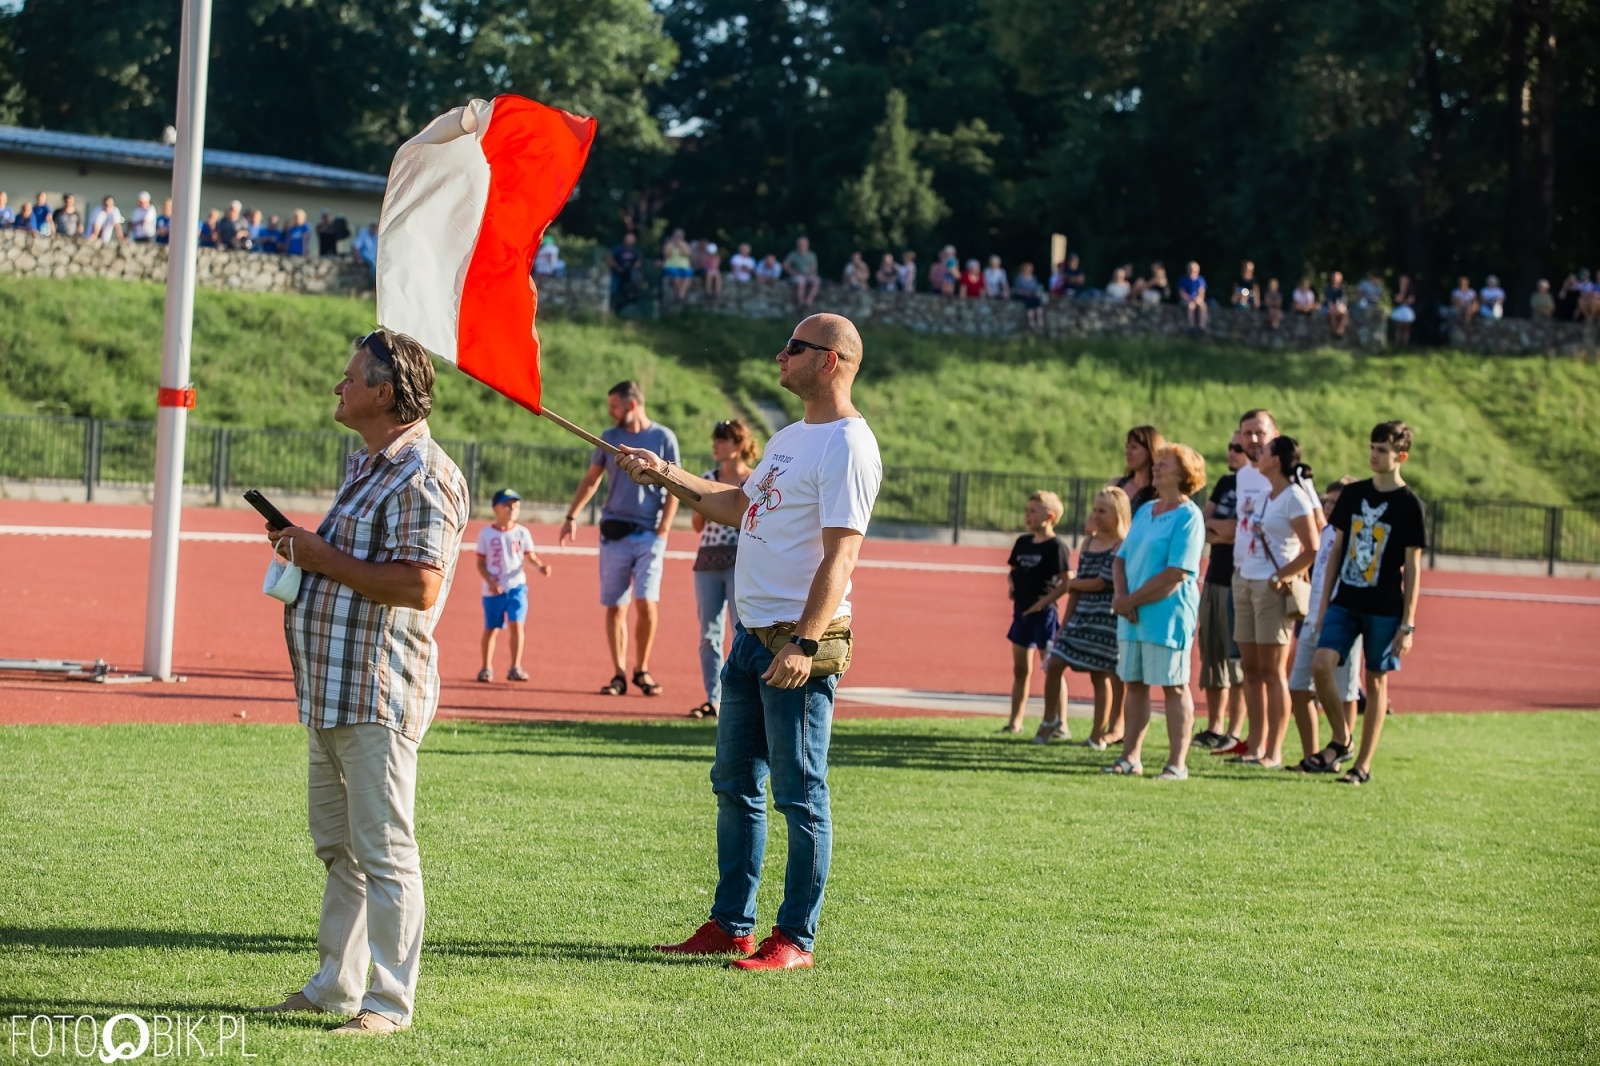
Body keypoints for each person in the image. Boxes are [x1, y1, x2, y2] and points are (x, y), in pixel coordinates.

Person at [621, 313, 882, 972]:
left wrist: (804, 642)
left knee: (800, 795)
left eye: (793, 347)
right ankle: (732, 925)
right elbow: (741, 505)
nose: (779, 355)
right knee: (735, 786)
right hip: (748, 640)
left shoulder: (850, 445)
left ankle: (794, 939)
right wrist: (665, 474)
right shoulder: (791, 437)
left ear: (831, 360)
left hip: (793, 645)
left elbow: (841, 557)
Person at [254, 329, 468, 1034]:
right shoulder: (368, 465)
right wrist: (307, 553)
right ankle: (334, 987)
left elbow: (420, 585)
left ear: (384, 392)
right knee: (340, 850)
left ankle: (388, 1003)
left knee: (384, 850)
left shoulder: (423, 474)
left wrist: (317, 554)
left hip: (378, 690)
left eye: (350, 379)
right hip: (333, 688)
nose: (338, 388)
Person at [1312, 422, 1427, 786]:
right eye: (1372, 447)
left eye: (1382, 450)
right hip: (1345, 599)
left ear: (1401, 457)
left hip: (1384, 606)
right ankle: (1341, 737)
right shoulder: (1354, 494)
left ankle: (1362, 765)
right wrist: (1323, 605)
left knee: (1375, 681)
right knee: (1321, 665)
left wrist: (1407, 625)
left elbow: (1413, 566)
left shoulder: (1410, 506)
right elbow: (1335, 553)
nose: (1373, 455)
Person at [559, 381, 680, 697]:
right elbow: (591, 480)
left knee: (647, 603)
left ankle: (642, 669)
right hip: (614, 533)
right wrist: (572, 516)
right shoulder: (610, 438)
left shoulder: (663, 438)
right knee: (616, 606)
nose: (610, 411)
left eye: (614, 405)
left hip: (649, 534)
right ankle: (618, 673)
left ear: (632, 405)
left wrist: (665, 527)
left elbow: (675, 486)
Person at [1103, 445, 1207, 779]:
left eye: (1165, 465)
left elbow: (1176, 573)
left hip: (1167, 615)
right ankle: (1130, 756)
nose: (1156, 468)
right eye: (1158, 463)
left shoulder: (1189, 517)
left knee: (1174, 686)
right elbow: (1121, 558)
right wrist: (1122, 597)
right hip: (1132, 613)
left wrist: (1131, 601)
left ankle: (1177, 763)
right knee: (1134, 683)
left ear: (1184, 474)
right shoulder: (1147, 510)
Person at [1230, 431, 1319, 768]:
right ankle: (1254, 745)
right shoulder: (1269, 495)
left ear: (1277, 459)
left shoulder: (1294, 497)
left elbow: (1311, 547)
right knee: (1250, 669)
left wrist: (1280, 575)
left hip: (1270, 589)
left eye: (1265, 451)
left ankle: (1274, 751)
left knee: (1272, 671)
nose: (1258, 454)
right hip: (1246, 581)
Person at [1035, 488, 1131, 749]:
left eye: (1103, 511)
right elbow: (1077, 589)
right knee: (1055, 664)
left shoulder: (1121, 544)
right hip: (1082, 615)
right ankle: (1050, 720)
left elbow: (1101, 583)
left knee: (1100, 675)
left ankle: (1097, 734)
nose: (1096, 516)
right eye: (1094, 510)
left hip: (1105, 618)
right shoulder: (1089, 542)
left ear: (1118, 514)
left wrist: (1075, 584)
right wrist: (1064, 625)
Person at [1287, 476, 1360, 773]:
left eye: (1335, 502)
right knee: (1298, 687)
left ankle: (1339, 747)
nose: (1328, 507)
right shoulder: (1328, 532)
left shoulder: (1355, 534)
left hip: (1343, 619)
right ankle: (1313, 753)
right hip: (1314, 618)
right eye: (1326, 500)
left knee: (1345, 691)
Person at [689, 419, 760, 720]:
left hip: (739, 562)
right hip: (707, 561)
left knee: (738, 630)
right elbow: (697, 526)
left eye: (723, 440)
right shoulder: (708, 477)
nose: (715, 445)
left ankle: (739, 699)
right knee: (708, 632)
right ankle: (712, 698)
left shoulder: (755, 480)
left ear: (739, 445)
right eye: (715, 440)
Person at [1001, 492, 1071, 735]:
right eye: (1026, 510)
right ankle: (1015, 722)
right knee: (1021, 669)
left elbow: (1066, 583)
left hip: (1044, 616)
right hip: (1021, 614)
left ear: (1050, 516)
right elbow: (1014, 570)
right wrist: (1012, 585)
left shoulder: (1056, 547)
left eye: (1034, 511)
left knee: (1052, 668)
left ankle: (1060, 722)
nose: (1027, 515)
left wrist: (1043, 603)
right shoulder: (1022, 542)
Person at [1193, 431, 1246, 750]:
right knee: (1211, 653)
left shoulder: (1261, 486)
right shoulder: (1227, 483)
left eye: (1238, 448)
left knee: (1236, 660)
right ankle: (1214, 725)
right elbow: (1204, 523)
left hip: (1237, 581)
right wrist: (1223, 531)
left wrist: (1225, 531)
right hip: (1214, 577)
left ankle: (1235, 731)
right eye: (1230, 446)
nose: (1232, 452)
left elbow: (1241, 531)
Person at [476, 488, 551, 684]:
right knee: (491, 628)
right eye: (507, 505)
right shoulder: (486, 534)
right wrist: (490, 582)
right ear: (496, 508)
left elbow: (530, 557)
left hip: (516, 587)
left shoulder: (521, 533)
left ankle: (515, 666)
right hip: (493, 590)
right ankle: (486, 667)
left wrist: (541, 567)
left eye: (515, 505)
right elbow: (480, 564)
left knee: (517, 624)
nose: (512, 509)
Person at [1113, 424, 1163, 513]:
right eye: (1127, 447)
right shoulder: (1116, 484)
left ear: (1150, 450)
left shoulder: (1159, 492)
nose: (1128, 452)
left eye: (1134, 447)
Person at [606, 232, 642, 313]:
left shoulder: (636, 250)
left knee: (629, 293)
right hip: (617, 273)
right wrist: (617, 267)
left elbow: (639, 262)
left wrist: (633, 268)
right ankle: (610, 309)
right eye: (629, 239)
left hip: (629, 275)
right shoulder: (618, 248)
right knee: (614, 290)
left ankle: (619, 310)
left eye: (632, 239)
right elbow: (609, 257)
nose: (630, 241)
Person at [784, 236, 821, 308]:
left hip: (809, 275)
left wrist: (811, 275)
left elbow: (814, 267)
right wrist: (793, 273)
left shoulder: (811, 255)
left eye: (803, 244)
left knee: (816, 281)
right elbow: (785, 265)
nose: (802, 246)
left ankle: (809, 300)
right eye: (800, 244)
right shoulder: (793, 254)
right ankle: (800, 303)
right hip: (797, 275)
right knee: (801, 282)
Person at [663, 228, 694, 302]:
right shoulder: (668, 245)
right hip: (671, 266)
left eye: (680, 236)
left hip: (684, 267)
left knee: (688, 274)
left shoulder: (685, 245)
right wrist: (672, 245)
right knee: (676, 275)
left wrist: (681, 246)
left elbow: (687, 254)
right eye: (676, 236)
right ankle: (680, 295)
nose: (678, 238)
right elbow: (666, 255)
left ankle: (680, 294)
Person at [1012, 263, 1046, 329]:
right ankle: (1031, 322)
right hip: (1023, 295)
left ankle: (1039, 320)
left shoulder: (1033, 278)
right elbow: (1017, 289)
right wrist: (1026, 293)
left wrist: (1034, 293)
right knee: (1030, 303)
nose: (1027, 270)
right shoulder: (1019, 278)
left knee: (1038, 302)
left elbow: (1036, 287)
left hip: (1032, 295)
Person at [1179, 261, 1208, 330]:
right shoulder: (1183, 279)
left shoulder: (1200, 280)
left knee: (1202, 306)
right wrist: (1189, 299)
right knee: (1190, 306)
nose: (1192, 272)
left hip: (1197, 299)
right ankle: (1191, 327)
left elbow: (1202, 293)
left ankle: (1201, 327)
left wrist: (1197, 299)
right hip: (1186, 300)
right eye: (1191, 270)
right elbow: (1181, 293)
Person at [1391, 275, 1417, 347]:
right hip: (1399, 310)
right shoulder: (1396, 289)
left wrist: (1403, 300)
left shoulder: (1411, 290)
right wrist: (1402, 291)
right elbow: (1397, 299)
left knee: (1406, 328)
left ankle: (1405, 344)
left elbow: (1411, 300)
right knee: (1398, 327)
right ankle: (1397, 343)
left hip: (1407, 310)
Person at [1325, 270, 1349, 338]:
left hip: (1339, 306)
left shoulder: (1342, 288)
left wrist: (1340, 306)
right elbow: (1328, 300)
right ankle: (1335, 331)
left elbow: (1343, 300)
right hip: (1330, 307)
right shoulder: (1328, 289)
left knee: (1344, 313)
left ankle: (1340, 330)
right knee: (1332, 313)